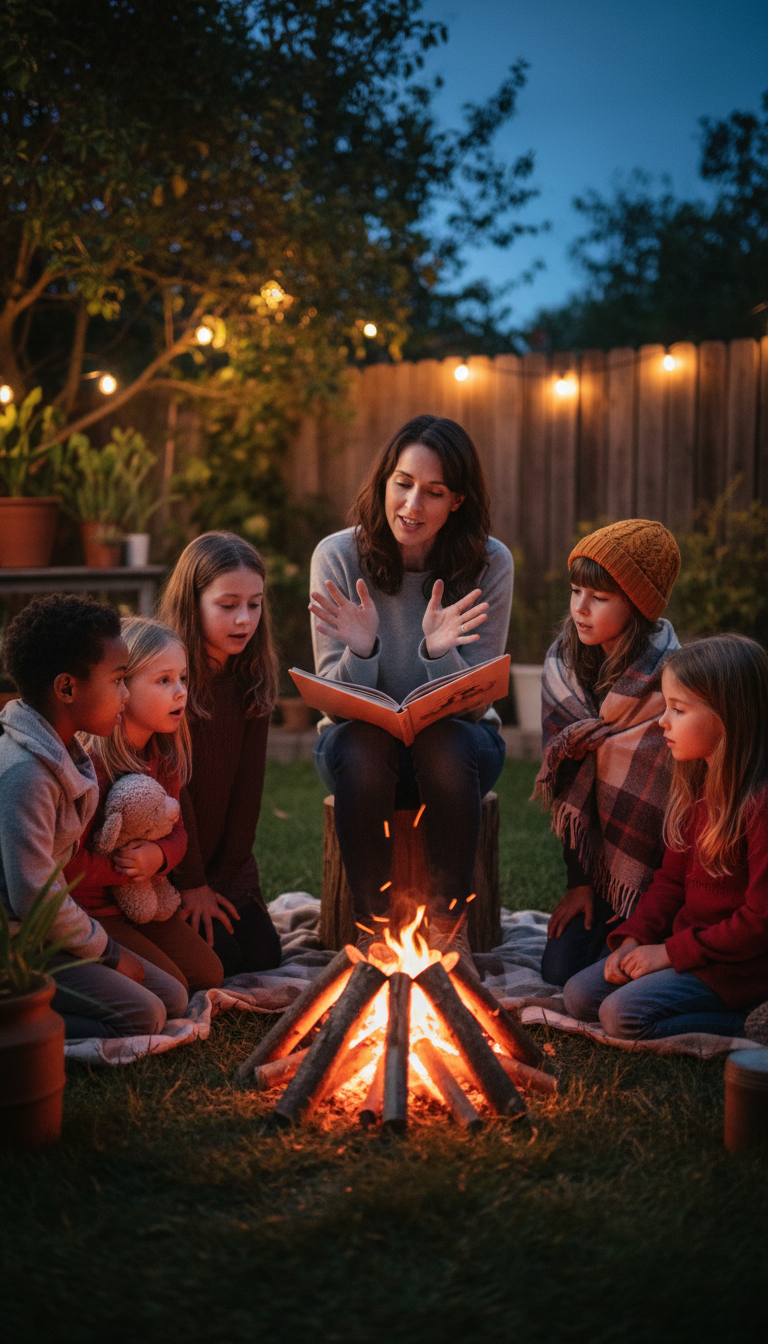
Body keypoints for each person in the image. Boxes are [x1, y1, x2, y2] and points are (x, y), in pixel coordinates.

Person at [309, 413, 512, 962]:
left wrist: (440, 655)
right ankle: (373, 934)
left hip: (460, 753)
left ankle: (448, 931)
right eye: (402, 483)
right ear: (384, 482)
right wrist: (362, 651)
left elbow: (477, 707)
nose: (412, 505)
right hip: (357, 755)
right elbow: (335, 702)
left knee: (443, 742)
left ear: (457, 501)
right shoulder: (337, 556)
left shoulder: (490, 563)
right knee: (363, 743)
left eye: (434, 492)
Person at [563, 635, 768, 1040]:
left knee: (621, 1016)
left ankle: (753, 1020)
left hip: (740, 968)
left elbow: (760, 921)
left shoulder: (758, 804)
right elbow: (671, 882)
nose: (663, 721)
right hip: (691, 951)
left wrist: (668, 954)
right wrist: (634, 939)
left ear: (729, 717)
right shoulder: (697, 786)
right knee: (578, 996)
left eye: (679, 709)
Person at [0, 595, 187, 1039]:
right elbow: (35, 896)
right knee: (146, 1016)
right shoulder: (27, 775)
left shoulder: (63, 751)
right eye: (118, 680)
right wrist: (109, 953)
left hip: (52, 934)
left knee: (174, 998)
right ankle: (21, 1024)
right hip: (19, 943)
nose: (125, 694)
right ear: (67, 688)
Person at [535, 520, 681, 988]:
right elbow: (569, 787)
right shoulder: (564, 664)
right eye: (576, 590)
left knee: (615, 977)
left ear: (637, 606)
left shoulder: (671, 679)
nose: (580, 608)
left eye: (598, 597)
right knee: (559, 971)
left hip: (664, 875)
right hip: (599, 873)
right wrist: (580, 882)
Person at [66, 616, 224, 993]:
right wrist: (128, 870)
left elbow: (178, 832)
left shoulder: (162, 757)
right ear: (122, 687)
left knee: (209, 974)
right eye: (164, 680)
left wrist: (159, 856)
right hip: (91, 912)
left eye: (183, 678)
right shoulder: (92, 764)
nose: (181, 692)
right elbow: (68, 864)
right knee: (172, 989)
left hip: (145, 903)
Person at [159, 532, 282, 976]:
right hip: (170, 863)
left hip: (225, 866)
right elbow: (173, 792)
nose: (244, 619)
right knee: (222, 960)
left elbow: (248, 790)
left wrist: (232, 881)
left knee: (264, 955)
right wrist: (193, 884)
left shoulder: (252, 679)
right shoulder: (170, 684)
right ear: (192, 604)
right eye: (227, 605)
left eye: (254, 604)